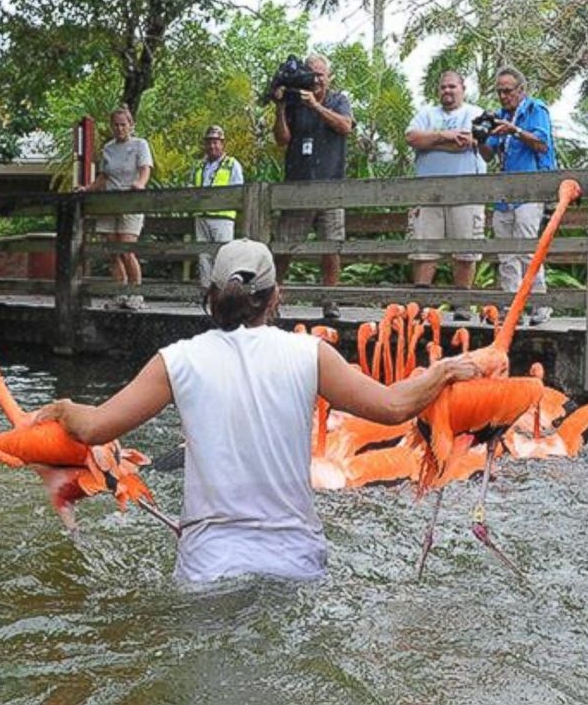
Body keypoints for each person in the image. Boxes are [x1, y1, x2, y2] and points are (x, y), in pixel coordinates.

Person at [33, 238, 481, 584]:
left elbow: (92, 429)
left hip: (208, 567)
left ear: (211, 294)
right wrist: (441, 371)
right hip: (296, 562)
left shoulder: (177, 360)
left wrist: (64, 408)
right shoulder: (310, 354)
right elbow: (393, 406)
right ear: (275, 297)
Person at [272, 53, 354, 319]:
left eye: (321, 74)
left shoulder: (338, 100)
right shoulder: (295, 103)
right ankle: (272, 299)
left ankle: (330, 302)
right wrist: (281, 106)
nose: (317, 79)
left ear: (328, 77)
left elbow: (345, 127)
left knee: (331, 247)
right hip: (297, 189)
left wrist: (315, 106)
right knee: (284, 247)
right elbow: (282, 139)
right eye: (312, 74)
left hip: (331, 188)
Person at [478, 66, 557, 326]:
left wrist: (514, 130)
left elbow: (542, 143)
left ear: (521, 90)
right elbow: (488, 154)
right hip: (504, 193)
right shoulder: (498, 116)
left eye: (508, 91)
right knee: (506, 253)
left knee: (527, 249)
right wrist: (480, 137)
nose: (503, 96)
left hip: (530, 190)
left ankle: (539, 305)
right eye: (499, 92)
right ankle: (513, 308)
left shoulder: (536, 110)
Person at [405, 71, 487, 321]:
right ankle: (420, 305)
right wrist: (446, 136)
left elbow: (474, 141)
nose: (447, 91)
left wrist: (431, 142)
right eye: (443, 87)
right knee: (424, 248)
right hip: (428, 193)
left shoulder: (476, 113)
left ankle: (461, 304)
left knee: (465, 248)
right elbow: (411, 137)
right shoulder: (426, 114)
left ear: (463, 88)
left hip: (466, 192)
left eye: (452, 86)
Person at [80, 105, 153, 311]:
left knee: (127, 249)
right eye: (116, 125)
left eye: (123, 124)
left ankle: (136, 294)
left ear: (131, 125)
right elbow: (104, 177)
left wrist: (140, 184)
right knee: (112, 251)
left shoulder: (140, 145)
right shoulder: (108, 148)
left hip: (130, 201)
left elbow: (145, 169)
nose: (120, 128)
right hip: (109, 202)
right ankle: (120, 293)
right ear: (111, 126)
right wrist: (88, 188)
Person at [191, 125, 244, 288]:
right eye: (209, 142)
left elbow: (238, 191)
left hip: (223, 217)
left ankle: (224, 292)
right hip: (201, 216)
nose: (212, 146)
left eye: (216, 142)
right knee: (203, 256)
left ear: (223, 144)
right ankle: (207, 293)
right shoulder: (199, 166)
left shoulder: (232, 164)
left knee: (224, 255)